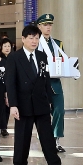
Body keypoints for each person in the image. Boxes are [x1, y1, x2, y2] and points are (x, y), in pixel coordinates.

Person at [5, 25, 68, 165]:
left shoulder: (41, 56)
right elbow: (10, 83)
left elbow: (46, 80)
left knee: (47, 137)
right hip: (23, 104)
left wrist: (50, 101)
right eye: (31, 38)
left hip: (41, 103)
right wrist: (13, 105)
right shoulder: (14, 57)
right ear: (24, 39)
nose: (34, 41)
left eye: (36, 38)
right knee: (22, 138)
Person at [36, 14, 67, 152]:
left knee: (59, 110)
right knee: (43, 112)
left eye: (50, 25)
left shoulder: (58, 44)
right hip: (40, 82)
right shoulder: (35, 43)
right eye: (45, 25)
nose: (48, 27)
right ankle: (45, 139)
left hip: (55, 82)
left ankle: (56, 139)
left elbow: (63, 61)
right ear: (39, 26)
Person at [0, 38, 13, 136]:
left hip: (10, 86)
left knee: (7, 108)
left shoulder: (14, 58)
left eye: (9, 46)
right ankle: (0, 126)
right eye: (5, 46)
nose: (7, 48)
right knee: (1, 108)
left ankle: (4, 127)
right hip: (0, 86)